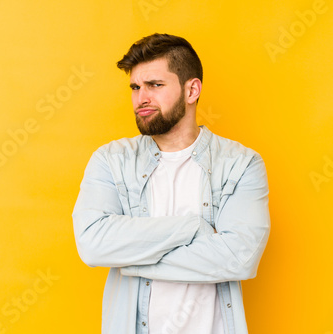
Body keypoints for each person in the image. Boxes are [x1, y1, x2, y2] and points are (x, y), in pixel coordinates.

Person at [72, 33, 271, 334]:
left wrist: (133, 260)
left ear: (192, 90)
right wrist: (193, 227)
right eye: (136, 87)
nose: (141, 98)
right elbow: (92, 244)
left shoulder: (241, 164)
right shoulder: (111, 160)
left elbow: (239, 258)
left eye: (155, 85)